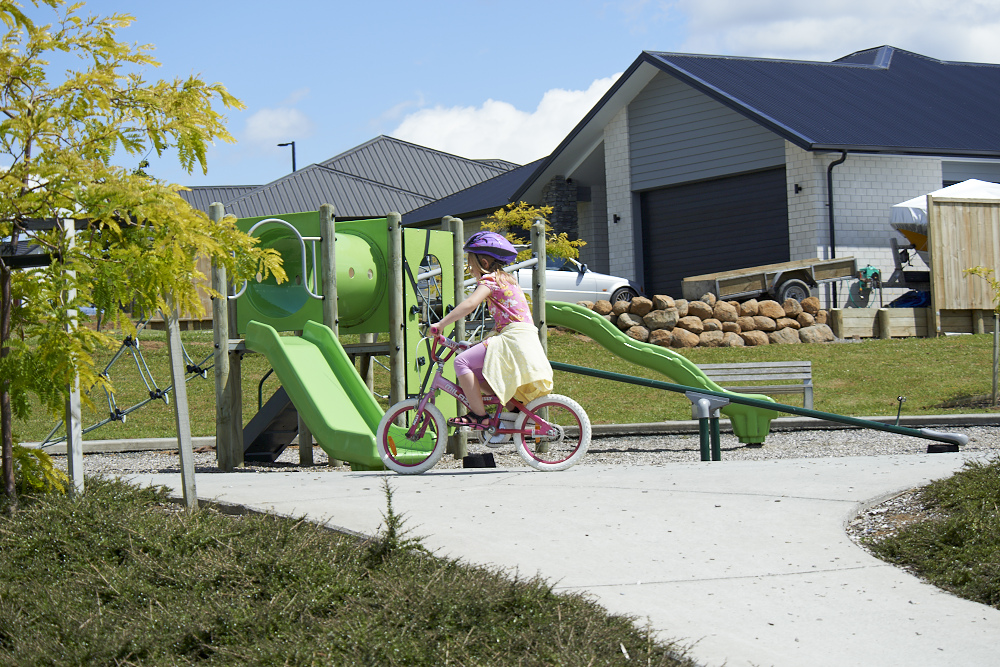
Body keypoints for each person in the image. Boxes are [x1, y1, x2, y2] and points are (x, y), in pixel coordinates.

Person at [430, 231, 553, 430]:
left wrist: (440, 324)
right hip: (522, 336)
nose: (470, 269)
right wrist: (477, 345)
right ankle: (514, 410)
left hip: (513, 338)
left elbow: (470, 304)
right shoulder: (507, 279)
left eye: (471, 264)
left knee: (461, 362)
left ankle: (479, 416)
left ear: (484, 263)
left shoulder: (490, 280)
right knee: (482, 374)